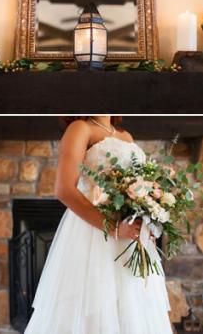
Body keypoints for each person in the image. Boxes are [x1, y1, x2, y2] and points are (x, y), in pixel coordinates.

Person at [24, 116, 171, 333]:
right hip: (95, 236)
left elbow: (136, 188)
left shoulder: (125, 135)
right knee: (94, 309)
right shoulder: (80, 129)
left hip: (130, 240)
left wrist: (148, 218)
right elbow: (64, 189)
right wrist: (113, 228)